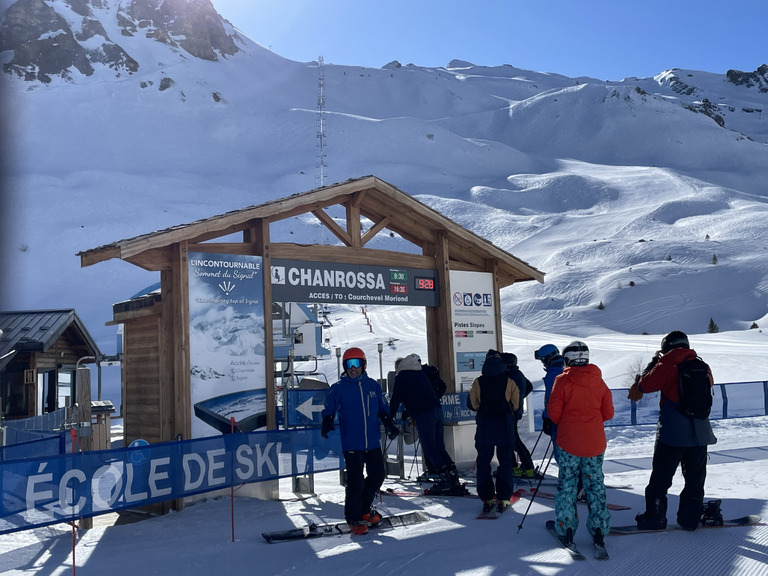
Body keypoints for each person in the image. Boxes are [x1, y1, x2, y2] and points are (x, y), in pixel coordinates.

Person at [628, 331, 717, 531]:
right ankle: (690, 519)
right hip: (700, 433)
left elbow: (646, 384)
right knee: (695, 478)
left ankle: (655, 518)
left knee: (661, 478)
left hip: (672, 433)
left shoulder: (667, 364)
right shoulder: (703, 366)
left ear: (666, 347)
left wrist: (653, 364)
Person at [321, 347, 399, 535]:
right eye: (349, 364)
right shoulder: (339, 388)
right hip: (352, 443)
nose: (353, 368)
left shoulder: (372, 385)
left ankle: (364, 510)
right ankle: (354, 517)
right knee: (355, 482)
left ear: (364, 365)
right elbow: (329, 407)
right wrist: (327, 420)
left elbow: (382, 407)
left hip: (372, 442)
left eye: (356, 364)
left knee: (377, 476)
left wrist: (388, 422)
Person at [547, 341, 614, 550]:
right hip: (594, 443)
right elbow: (608, 413)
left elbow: (554, 414)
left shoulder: (562, 381)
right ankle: (599, 531)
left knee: (567, 485)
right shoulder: (599, 381)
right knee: (595, 485)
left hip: (569, 443)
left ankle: (566, 529)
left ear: (567, 359)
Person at [390, 354, 461, 494]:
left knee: (430, 448)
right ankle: (453, 475)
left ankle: (444, 479)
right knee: (440, 446)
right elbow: (421, 394)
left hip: (424, 415)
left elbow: (395, 399)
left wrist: (389, 418)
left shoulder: (401, 377)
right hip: (437, 411)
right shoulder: (420, 374)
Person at [467, 350, 520, 514]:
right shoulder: (509, 380)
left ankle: (486, 498)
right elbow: (516, 403)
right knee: (505, 462)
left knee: (483, 461)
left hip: (485, 424)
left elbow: (473, 404)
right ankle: (504, 498)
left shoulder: (478, 381)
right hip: (504, 424)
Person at [499, 351, 536, 479]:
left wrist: (515, 401)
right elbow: (529, 386)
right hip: (514, 411)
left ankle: (525, 467)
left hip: (509, 412)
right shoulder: (516, 373)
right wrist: (519, 400)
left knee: (512, 441)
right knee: (511, 440)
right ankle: (522, 467)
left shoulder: (510, 376)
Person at [535, 344, 565, 462]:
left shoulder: (553, 374)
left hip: (556, 419)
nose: (543, 363)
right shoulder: (565, 368)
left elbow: (551, 399)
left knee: (561, 451)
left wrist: (547, 418)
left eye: (543, 360)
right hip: (568, 418)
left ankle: (569, 478)